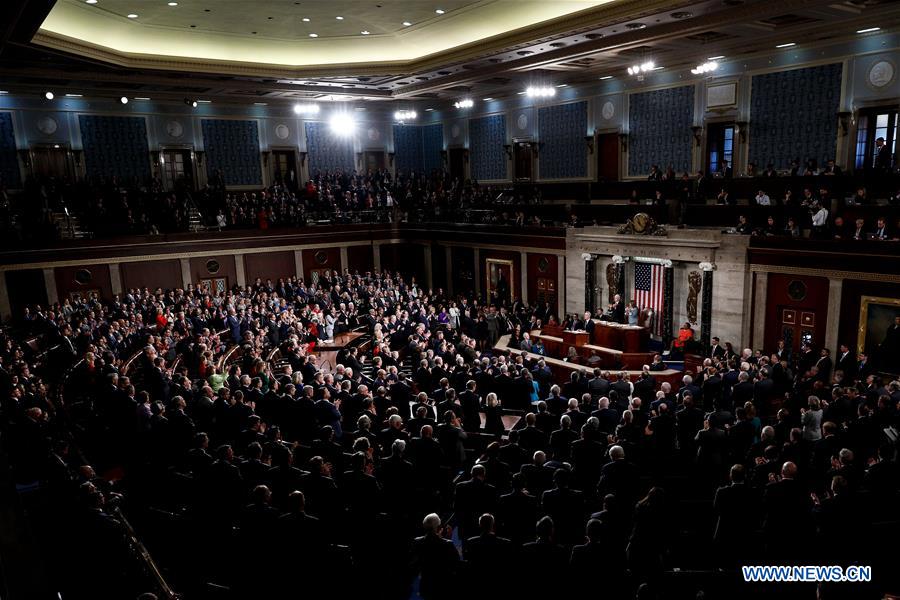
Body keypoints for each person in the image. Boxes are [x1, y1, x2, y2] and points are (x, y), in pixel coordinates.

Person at [413, 513, 460, 600]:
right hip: (442, 587)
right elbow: (456, 563)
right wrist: (448, 539)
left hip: (425, 586)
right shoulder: (447, 544)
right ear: (438, 528)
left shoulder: (417, 542)